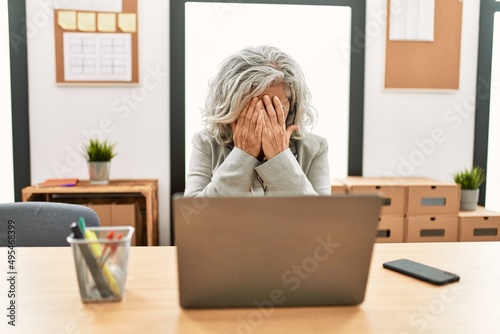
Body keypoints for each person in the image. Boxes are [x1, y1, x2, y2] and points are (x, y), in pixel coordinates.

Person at [184, 45, 330, 196]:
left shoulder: (314, 148)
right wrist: (243, 155)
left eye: (272, 108)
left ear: (291, 105)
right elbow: (194, 216)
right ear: (230, 106)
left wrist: (280, 158)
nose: (261, 118)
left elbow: (321, 218)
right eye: (251, 109)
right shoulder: (206, 143)